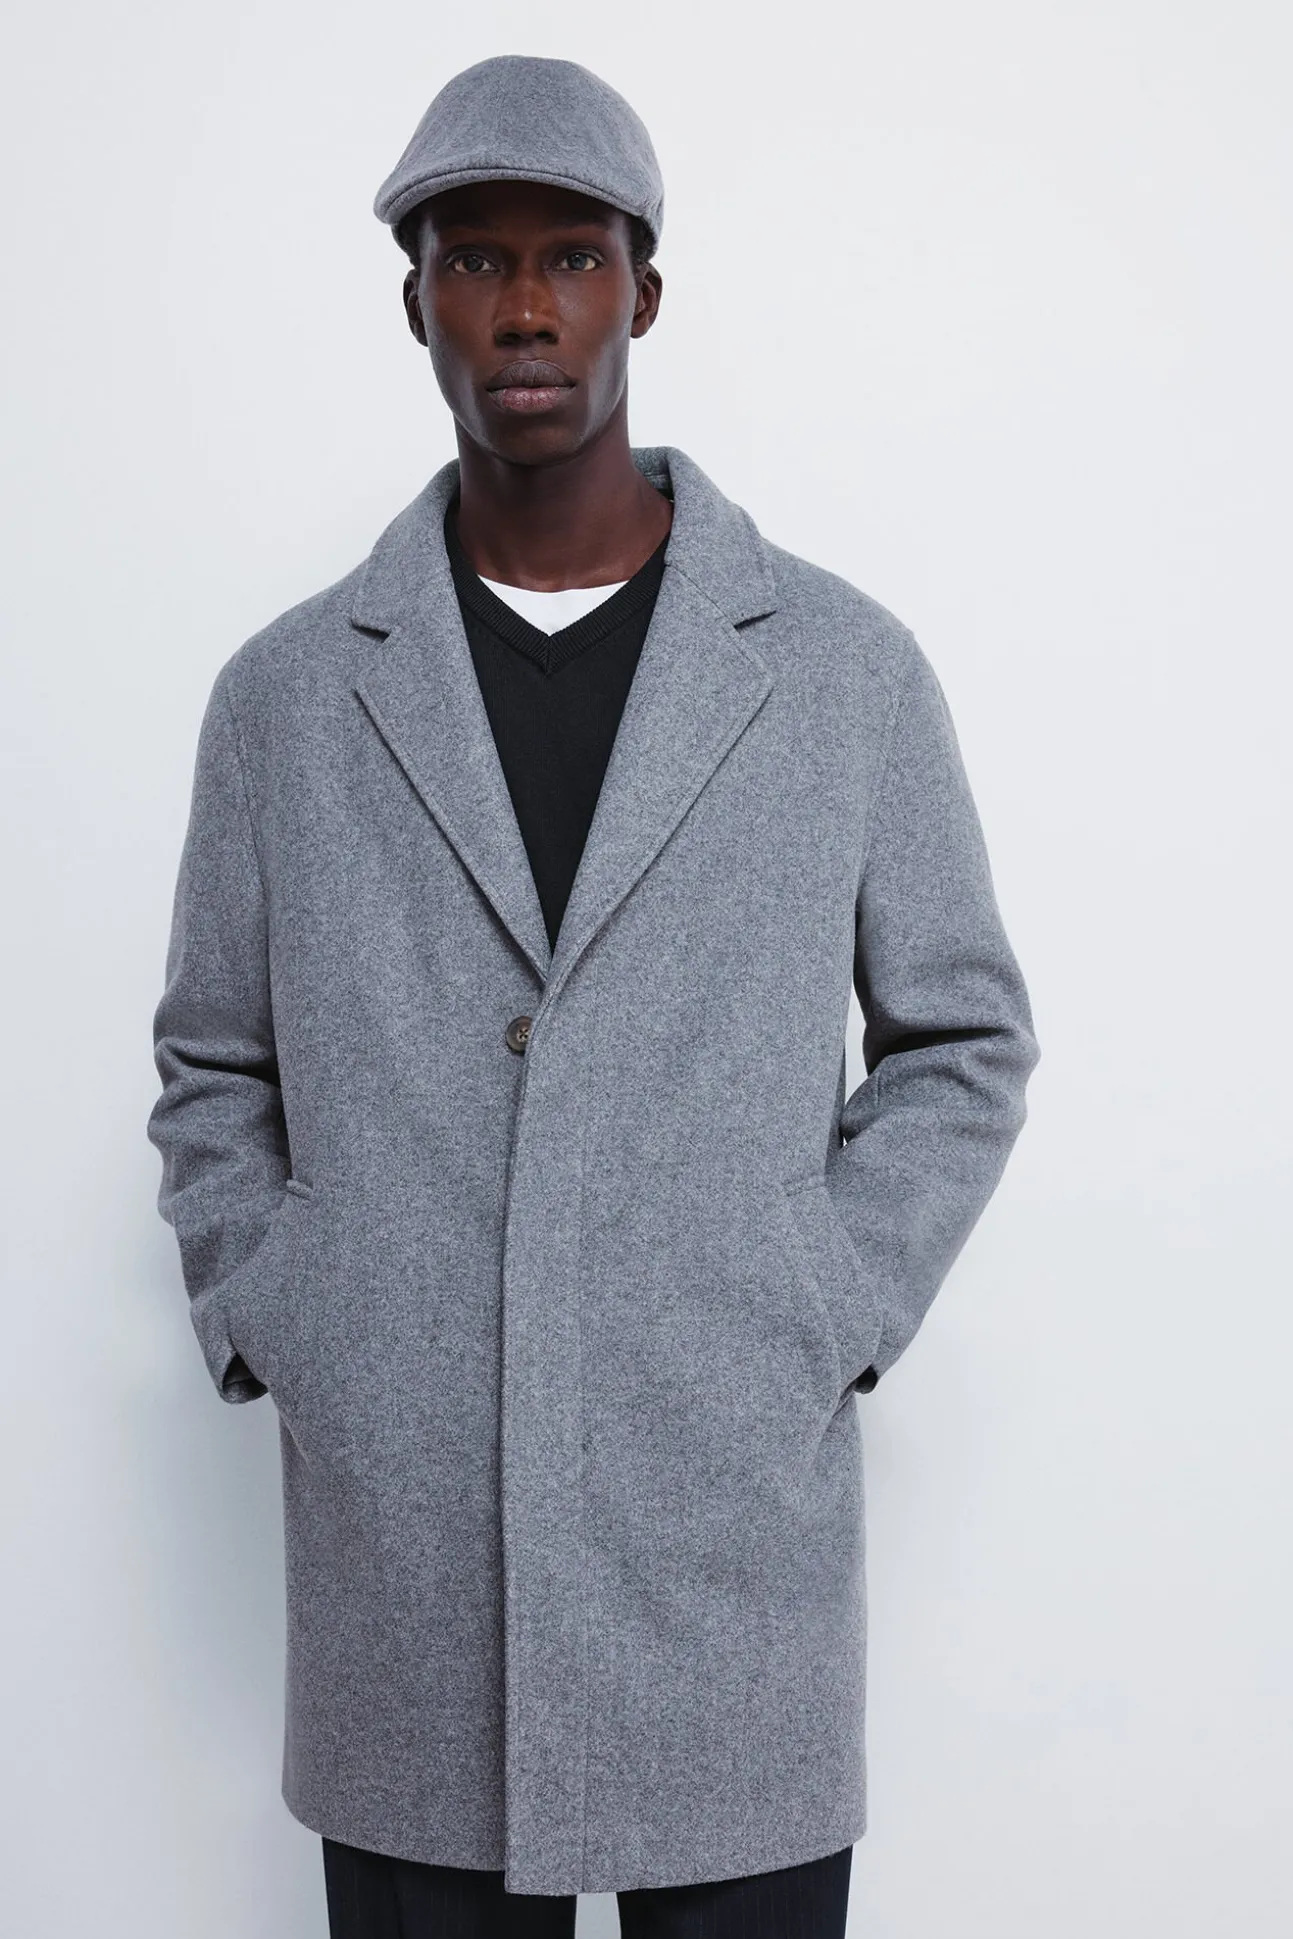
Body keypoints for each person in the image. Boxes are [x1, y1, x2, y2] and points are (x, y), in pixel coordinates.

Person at [147, 53, 1040, 1939]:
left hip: (726, 1529)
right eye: (474, 261)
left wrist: (820, 1299)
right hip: (410, 1546)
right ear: (414, 304)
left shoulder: (842, 671)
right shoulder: (287, 698)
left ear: (647, 288)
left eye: (570, 256)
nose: (526, 308)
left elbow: (962, 1040)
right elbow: (213, 1056)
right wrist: (294, 1309)